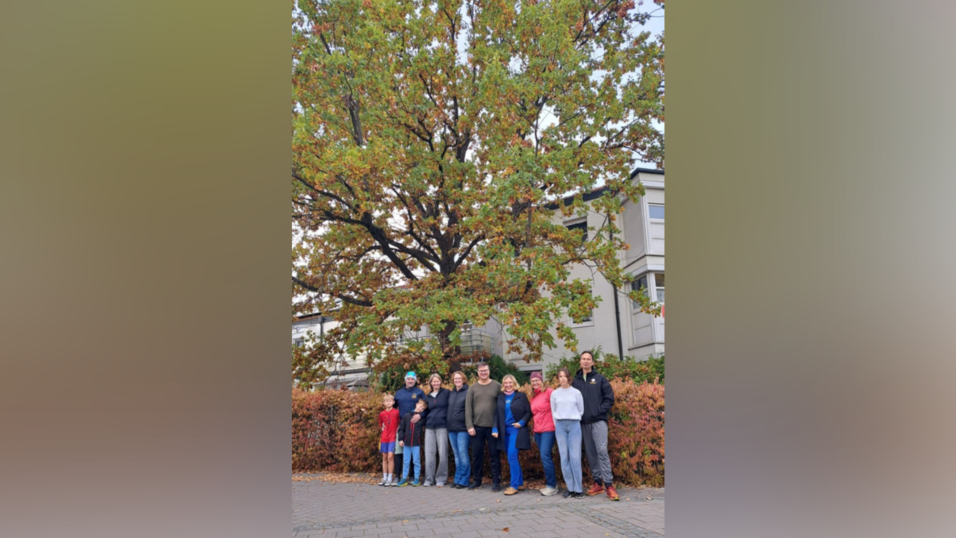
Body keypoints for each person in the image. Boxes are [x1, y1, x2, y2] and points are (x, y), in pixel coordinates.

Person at [572, 351, 619, 501]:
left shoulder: (600, 379)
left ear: (592, 362)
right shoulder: (575, 381)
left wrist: (598, 411)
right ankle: (597, 483)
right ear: (579, 362)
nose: (585, 361)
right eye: (583, 359)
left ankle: (609, 485)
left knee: (601, 451)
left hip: (598, 422)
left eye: (588, 359)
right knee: (591, 454)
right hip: (583, 423)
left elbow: (609, 399)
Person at [465, 362, 502, 491]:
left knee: (494, 455)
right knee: (476, 455)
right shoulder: (472, 388)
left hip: (493, 427)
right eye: (481, 371)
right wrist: (469, 426)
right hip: (477, 427)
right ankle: (477, 480)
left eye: (485, 370)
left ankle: (496, 482)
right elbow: (468, 408)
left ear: (489, 371)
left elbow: (501, 406)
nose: (483, 373)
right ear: (477, 373)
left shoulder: (497, 386)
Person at [492, 374, 531, 495]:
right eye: (506, 383)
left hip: (516, 430)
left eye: (510, 382)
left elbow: (528, 412)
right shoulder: (500, 397)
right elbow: (497, 414)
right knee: (511, 456)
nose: (508, 385)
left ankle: (513, 486)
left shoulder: (521, 396)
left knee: (512, 456)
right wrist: (495, 428)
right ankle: (519, 483)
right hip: (504, 431)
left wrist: (521, 422)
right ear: (503, 385)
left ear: (514, 383)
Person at [550, 367, 585, 498]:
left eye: (565, 376)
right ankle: (570, 488)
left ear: (569, 377)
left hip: (574, 425)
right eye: (560, 376)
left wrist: (574, 418)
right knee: (564, 457)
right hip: (560, 426)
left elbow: (580, 410)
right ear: (558, 379)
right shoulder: (555, 394)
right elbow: (553, 411)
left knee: (575, 457)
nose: (563, 378)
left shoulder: (576, 393)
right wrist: (557, 425)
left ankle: (578, 488)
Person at [528, 371, 558, 496]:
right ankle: (551, 484)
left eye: (537, 380)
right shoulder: (533, 396)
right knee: (544, 456)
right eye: (532, 381)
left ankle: (552, 486)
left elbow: (558, 406)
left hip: (549, 429)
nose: (535, 382)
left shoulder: (549, 392)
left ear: (541, 380)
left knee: (545, 455)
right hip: (538, 431)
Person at [393, 371, 427, 477]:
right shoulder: (398, 393)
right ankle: (398, 476)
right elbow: (393, 409)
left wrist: (420, 416)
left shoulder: (419, 392)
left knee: (413, 451)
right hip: (402, 426)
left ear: (415, 380)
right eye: (408, 379)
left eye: (412, 379)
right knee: (399, 450)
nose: (410, 381)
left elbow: (427, 408)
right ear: (405, 380)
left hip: (415, 425)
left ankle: (412, 476)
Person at [423, 373, 450, 487]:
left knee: (443, 453)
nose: (436, 383)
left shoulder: (446, 393)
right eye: (434, 381)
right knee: (429, 453)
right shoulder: (427, 396)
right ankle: (429, 479)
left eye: (437, 381)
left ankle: (441, 478)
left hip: (442, 426)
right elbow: (424, 411)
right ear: (430, 383)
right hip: (429, 427)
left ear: (440, 381)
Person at [445, 371, 471, 489]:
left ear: (463, 379)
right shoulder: (451, 393)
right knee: (456, 454)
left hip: (462, 428)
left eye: (459, 378)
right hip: (451, 428)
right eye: (455, 379)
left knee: (462, 453)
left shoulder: (468, 392)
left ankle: (464, 480)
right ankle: (457, 478)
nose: (457, 380)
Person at [396, 399, 428, 487]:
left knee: (416, 461)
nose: (420, 408)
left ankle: (416, 478)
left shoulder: (422, 419)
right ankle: (404, 478)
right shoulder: (407, 416)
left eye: (422, 408)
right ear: (416, 404)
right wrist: (401, 439)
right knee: (406, 461)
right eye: (420, 406)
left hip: (416, 443)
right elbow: (401, 429)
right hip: (406, 443)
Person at [378, 393, 400, 486]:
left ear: (393, 402)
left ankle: (390, 476)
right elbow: (381, 424)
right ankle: (385, 476)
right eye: (386, 401)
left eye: (390, 401)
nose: (388, 403)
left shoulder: (396, 412)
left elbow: (398, 423)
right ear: (384, 403)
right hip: (384, 438)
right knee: (384, 457)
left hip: (392, 437)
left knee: (390, 456)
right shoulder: (382, 414)